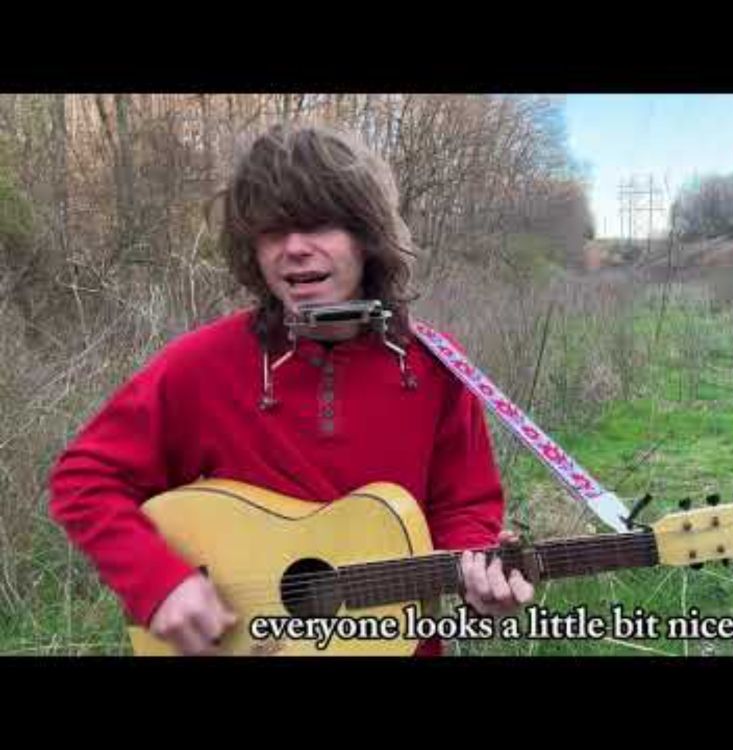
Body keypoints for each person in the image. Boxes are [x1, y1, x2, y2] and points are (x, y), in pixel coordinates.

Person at [48, 124, 534, 656]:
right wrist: (158, 582)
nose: (295, 248)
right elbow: (85, 478)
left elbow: (464, 505)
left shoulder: (435, 364)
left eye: (319, 225)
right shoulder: (204, 364)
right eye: (273, 231)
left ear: (367, 238)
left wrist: (477, 576)